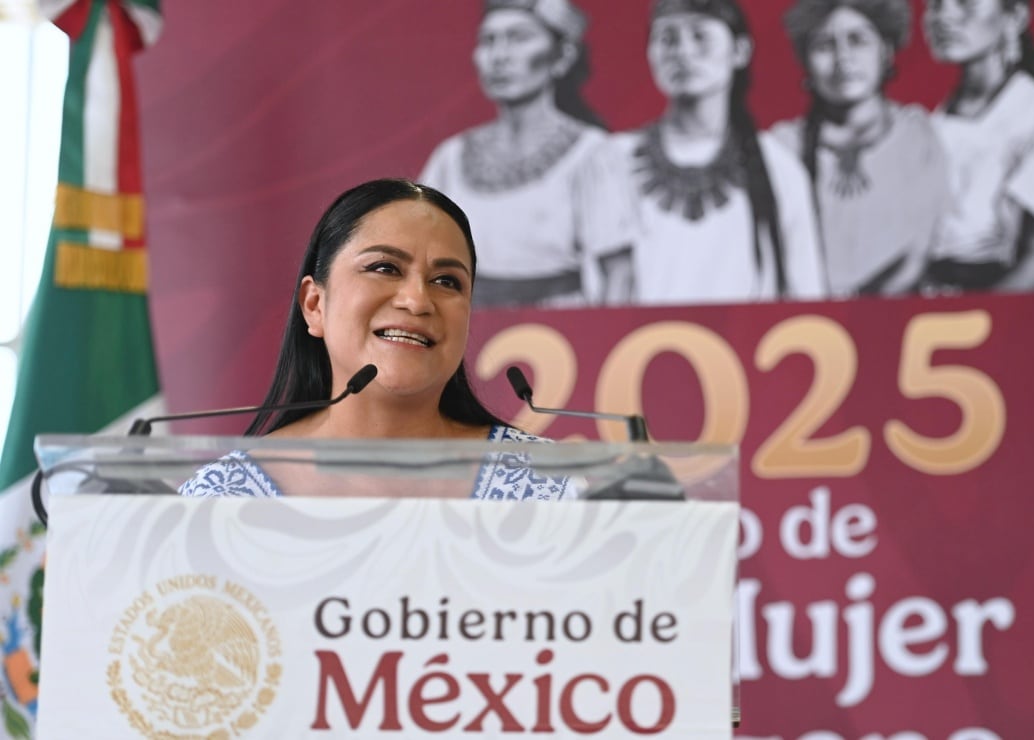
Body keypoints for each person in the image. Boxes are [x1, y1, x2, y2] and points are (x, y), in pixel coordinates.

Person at [180, 178, 571, 501]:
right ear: (314, 304)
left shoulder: (554, 486)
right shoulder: (218, 501)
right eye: (385, 267)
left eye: (446, 281)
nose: (417, 301)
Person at [597, 0, 827, 306]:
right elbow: (599, 301)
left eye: (700, 37)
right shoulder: (613, 161)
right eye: (668, 39)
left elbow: (807, 297)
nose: (683, 52)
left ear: (740, 51)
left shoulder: (779, 167)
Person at [419, 0, 631, 308]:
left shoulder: (593, 152)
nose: (499, 56)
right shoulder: (450, 158)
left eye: (518, 38)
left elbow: (619, 274)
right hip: (470, 326)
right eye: (489, 41)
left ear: (561, 56)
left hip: (563, 331)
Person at [922, 0, 1034, 293]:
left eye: (965, 3)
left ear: (1015, 16)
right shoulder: (940, 115)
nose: (944, 16)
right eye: (935, 4)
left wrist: (977, 318)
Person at [772, 0, 950, 298]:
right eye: (825, 45)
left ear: (886, 51)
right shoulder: (782, 146)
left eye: (858, 41)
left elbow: (919, 249)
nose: (843, 58)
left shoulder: (918, 134)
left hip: (897, 315)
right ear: (805, 60)